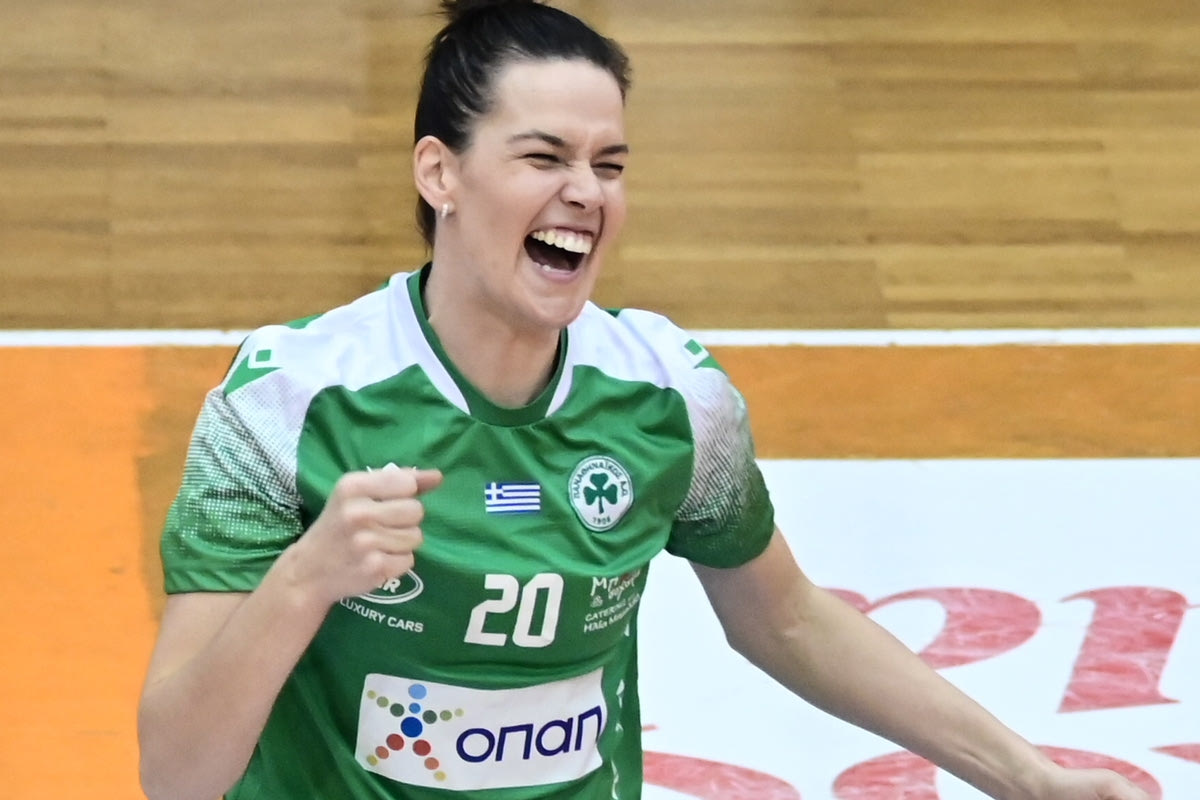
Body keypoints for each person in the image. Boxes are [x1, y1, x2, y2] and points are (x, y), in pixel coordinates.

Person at [136, 2, 1152, 799]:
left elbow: (789, 621)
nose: (587, 191)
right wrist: (309, 576)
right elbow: (176, 772)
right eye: (545, 157)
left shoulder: (668, 396)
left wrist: (1028, 776)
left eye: (609, 165)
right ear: (440, 173)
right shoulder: (286, 403)